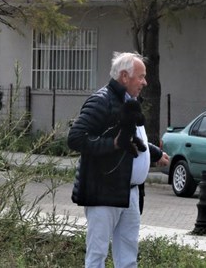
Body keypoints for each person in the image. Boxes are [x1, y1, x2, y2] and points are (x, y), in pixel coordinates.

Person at [67, 51, 170, 268]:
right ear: (124, 76)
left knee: (128, 257)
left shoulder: (130, 102)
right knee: (97, 255)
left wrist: (155, 153)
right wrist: (112, 145)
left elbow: (131, 138)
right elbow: (76, 138)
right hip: (103, 192)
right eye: (141, 76)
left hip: (129, 193)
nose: (145, 82)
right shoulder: (101, 101)